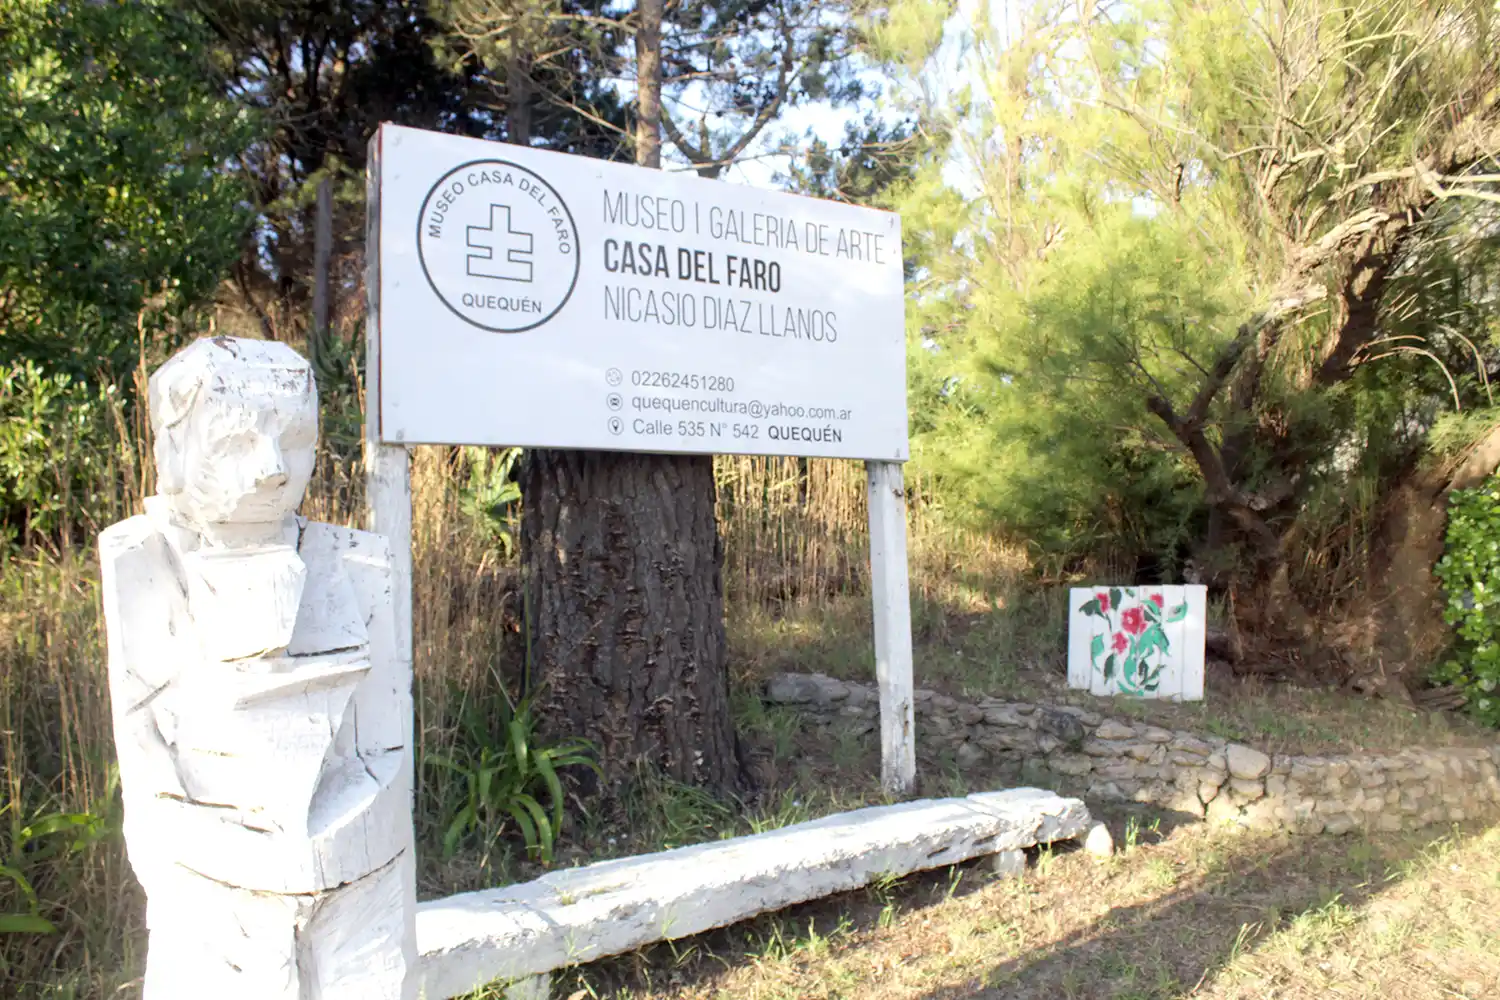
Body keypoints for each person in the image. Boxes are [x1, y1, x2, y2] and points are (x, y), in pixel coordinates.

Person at [99, 337, 414, 999]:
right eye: (237, 441)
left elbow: (388, 740)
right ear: (172, 451)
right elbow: (147, 763)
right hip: (216, 896)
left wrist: (336, 838)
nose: (274, 468)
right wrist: (237, 852)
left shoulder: (358, 561)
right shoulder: (141, 560)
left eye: (295, 439)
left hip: (362, 881)